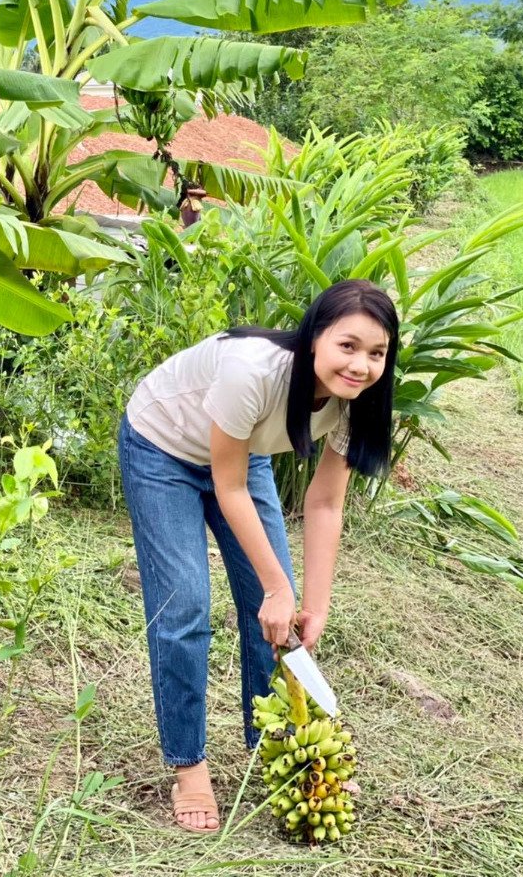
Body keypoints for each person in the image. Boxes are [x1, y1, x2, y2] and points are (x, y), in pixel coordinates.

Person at [117, 279, 398, 833]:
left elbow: (323, 505)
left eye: (377, 353)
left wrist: (310, 606)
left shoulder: (355, 404)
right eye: (348, 346)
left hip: (243, 459)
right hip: (163, 447)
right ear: (314, 336)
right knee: (185, 607)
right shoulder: (254, 371)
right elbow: (228, 487)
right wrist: (278, 585)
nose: (361, 365)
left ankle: (270, 741)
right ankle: (188, 765)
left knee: (276, 616)